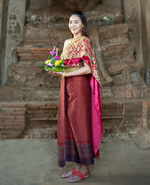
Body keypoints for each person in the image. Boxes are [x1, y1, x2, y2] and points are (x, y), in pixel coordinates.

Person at [49, 10, 102, 183]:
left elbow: (88, 69)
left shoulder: (85, 42)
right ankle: (78, 166)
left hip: (79, 87)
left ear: (83, 25)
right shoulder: (66, 43)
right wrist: (54, 67)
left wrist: (66, 74)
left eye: (76, 22)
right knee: (69, 124)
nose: (72, 25)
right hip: (67, 86)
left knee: (80, 124)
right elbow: (64, 68)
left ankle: (85, 169)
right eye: (70, 22)